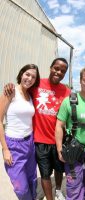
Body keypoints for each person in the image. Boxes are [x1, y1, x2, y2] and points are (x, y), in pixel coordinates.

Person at [4, 58, 70, 200]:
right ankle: (49, 197)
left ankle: (58, 190)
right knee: (44, 173)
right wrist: (9, 85)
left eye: (63, 71)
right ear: (51, 67)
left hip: (58, 140)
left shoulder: (67, 91)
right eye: (56, 68)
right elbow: (21, 87)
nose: (58, 72)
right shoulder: (37, 84)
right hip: (39, 140)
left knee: (59, 169)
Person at [55, 66, 85, 200]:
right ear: (80, 81)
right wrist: (59, 150)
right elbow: (59, 125)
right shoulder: (69, 101)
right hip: (73, 153)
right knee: (74, 186)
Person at [0, 64, 40, 200]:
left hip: (30, 143)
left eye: (33, 77)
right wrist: (5, 149)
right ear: (21, 74)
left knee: (32, 180)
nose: (29, 78)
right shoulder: (10, 92)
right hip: (13, 145)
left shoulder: (30, 95)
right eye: (27, 74)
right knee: (20, 187)